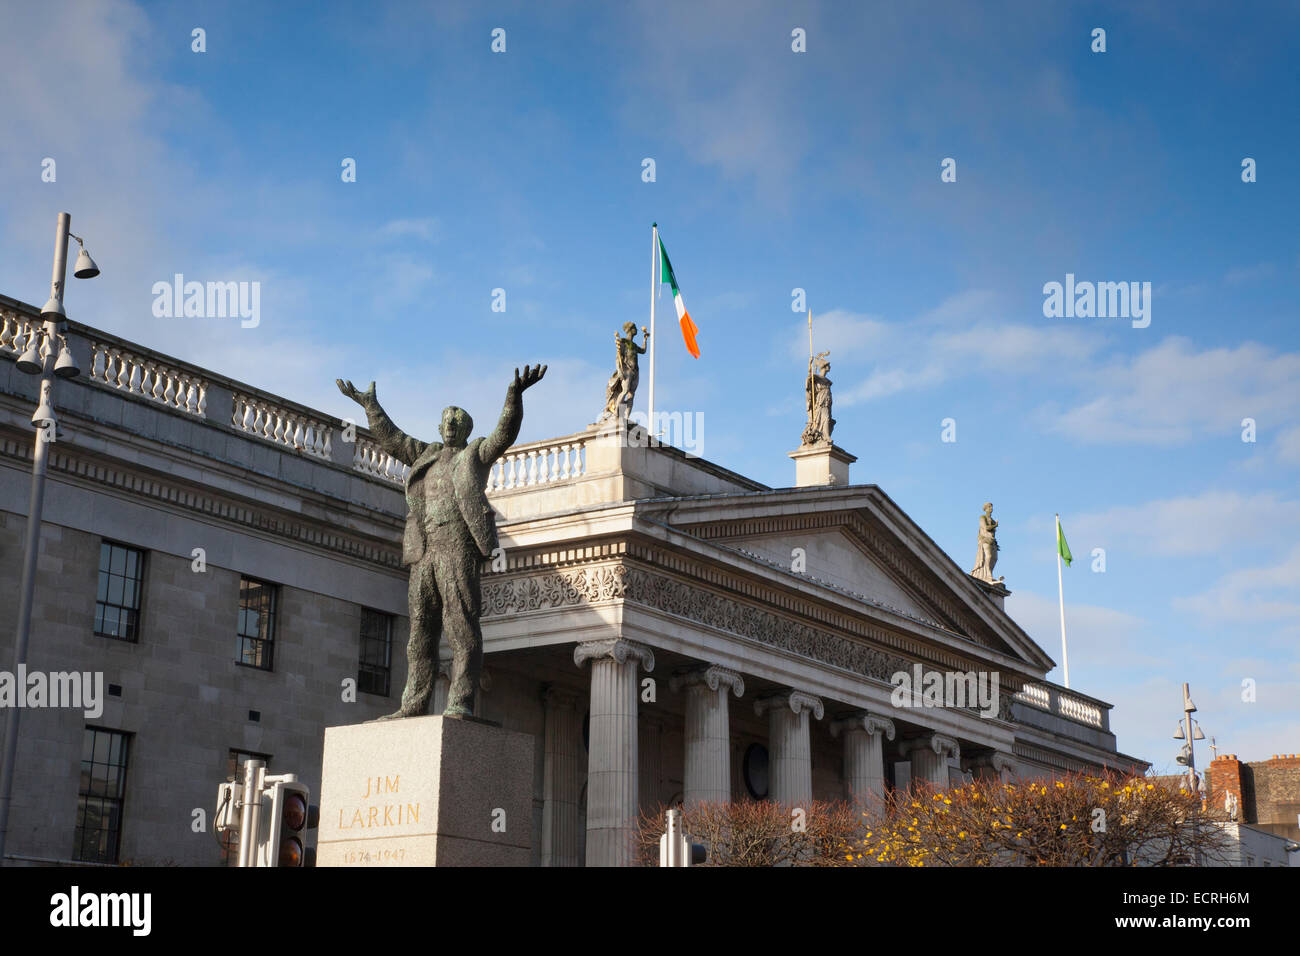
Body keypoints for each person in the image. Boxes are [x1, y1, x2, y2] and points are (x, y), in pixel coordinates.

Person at [336, 364, 546, 718]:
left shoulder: (473, 455)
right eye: (446, 420)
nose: (450, 424)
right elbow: (392, 438)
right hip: (425, 550)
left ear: (466, 429)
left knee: (462, 627)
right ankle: (413, 704)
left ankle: (461, 701)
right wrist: (370, 405)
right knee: (420, 632)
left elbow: (503, 435)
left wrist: (514, 397)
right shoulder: (425, 454)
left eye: (457, 420)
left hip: (458, 548)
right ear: (438, 428)